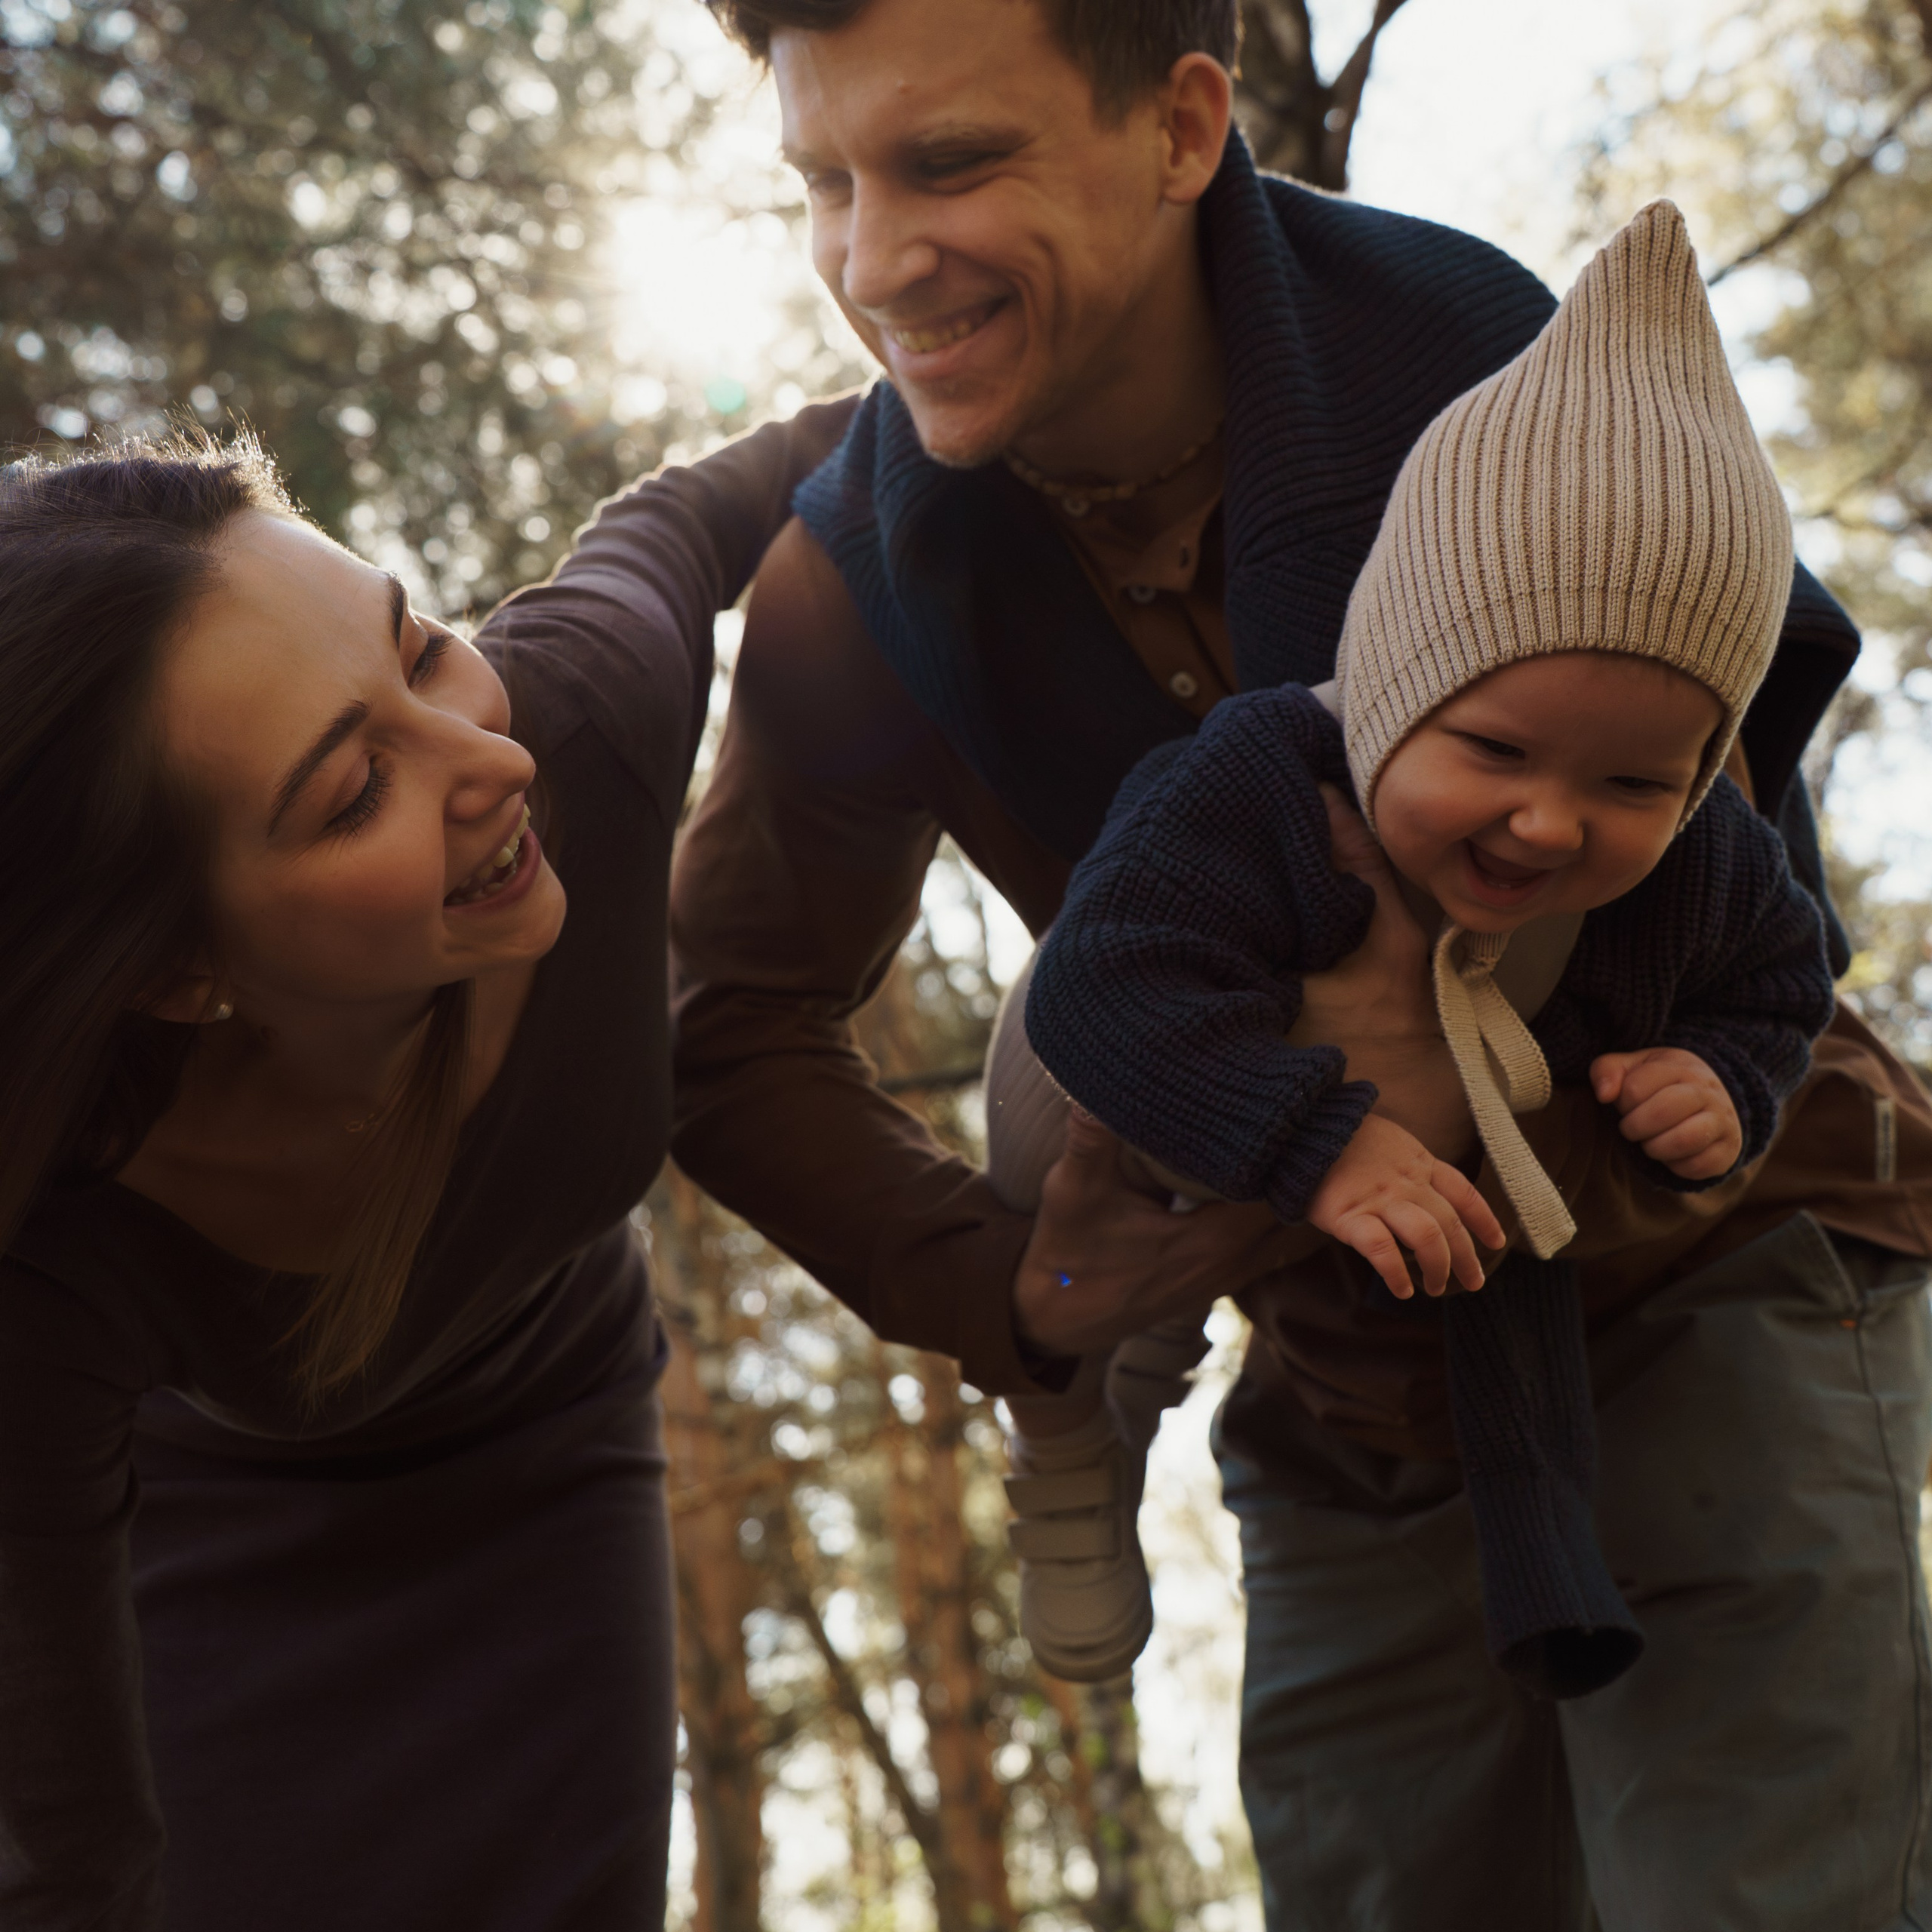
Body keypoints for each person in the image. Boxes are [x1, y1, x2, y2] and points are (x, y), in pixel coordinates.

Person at [671, 0, 1932, 1924]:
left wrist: (1533, 1084)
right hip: (1347, 1372)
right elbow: (727, 1019)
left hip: (1706, 1261)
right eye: (822, 183)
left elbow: (1733, 859)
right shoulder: (854, 574)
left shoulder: (1489, 370)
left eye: (949, 162)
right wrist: (1027, 1297)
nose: (870, 256)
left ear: (1181, 125)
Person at [0, 399, 850, 1930]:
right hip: (211, 1532)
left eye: (418, 643)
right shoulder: (58, 1223)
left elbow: (717, 499)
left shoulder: (572, 719)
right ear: (182, 966)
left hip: (553, 1441)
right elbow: (65, 1840)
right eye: (350, 792)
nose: (482, 755)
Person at [1004, 199, 1835, 1699]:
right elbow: (1098, 988)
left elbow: (1781, 973)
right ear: (1390, 680)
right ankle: (1085, 1399)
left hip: (1458, 1127)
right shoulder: (1258, 780)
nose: (1544, 822)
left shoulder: (1701, 852)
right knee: (1092, 1223)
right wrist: (1307, 1138)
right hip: (1120, 1073)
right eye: (1495, 745)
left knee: (1486, 1163)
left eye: (1632, 782)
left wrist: (1726, 1072)